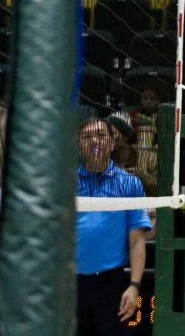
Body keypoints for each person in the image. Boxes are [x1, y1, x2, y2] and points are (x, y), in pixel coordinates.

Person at [76, 116, 152, 334]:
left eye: (101, 136)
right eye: (87, 136)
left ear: (111, 143)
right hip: (70, 285)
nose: (94, 141)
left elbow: (137, 240)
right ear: (79, 144)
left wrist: (134, 286)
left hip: (111, 284)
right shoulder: (65, 183)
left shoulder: (129, 183)